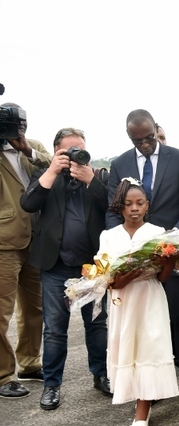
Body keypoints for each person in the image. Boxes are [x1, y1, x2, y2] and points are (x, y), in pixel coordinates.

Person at [106, 109, 179, 407]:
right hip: (135, 262)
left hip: (170, 255)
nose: (145, 144)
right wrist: (127, 246)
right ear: (129, 137)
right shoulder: (119, 163)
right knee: (144, 324)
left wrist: (174, 236)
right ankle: (149, 386)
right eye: (138, 140)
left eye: (149, 137)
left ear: (156, 130)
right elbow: (112, 211)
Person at [19, 128, 111, 410]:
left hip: (91, 268)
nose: (75, 156)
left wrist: (91, 181)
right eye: (68, 151)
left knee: (96, 326)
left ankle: (102, 375)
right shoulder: (45, 178)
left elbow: (112, 207)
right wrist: (52, 171)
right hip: (55, 266)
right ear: (57, 151)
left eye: (80, 149)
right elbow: (28, 203)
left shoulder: (99, 176)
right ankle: (52, 385)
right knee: (55, 330)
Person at [101, 178, 179, 425]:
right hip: (122, 301)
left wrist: (169, 261)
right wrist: (119, 280)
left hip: (148, 298)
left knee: (149, 347)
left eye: (140, 203)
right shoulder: (109, 236)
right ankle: (134, 395)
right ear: (120, 207)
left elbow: (163, 277)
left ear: (147, 205)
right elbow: (106, 279)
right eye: (128, 204)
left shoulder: (157, 233)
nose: (134, 208)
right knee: (127, 348)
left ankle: (142, 413)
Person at [0, 102, 51, 399]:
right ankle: (4, 374)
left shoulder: (32, 147)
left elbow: (53, 163)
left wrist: (26, 149)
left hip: (36, 240)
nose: (16, 132)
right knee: (1, 313)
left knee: (34, 309)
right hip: (4, 243)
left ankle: (30, 363)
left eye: (20, 127)